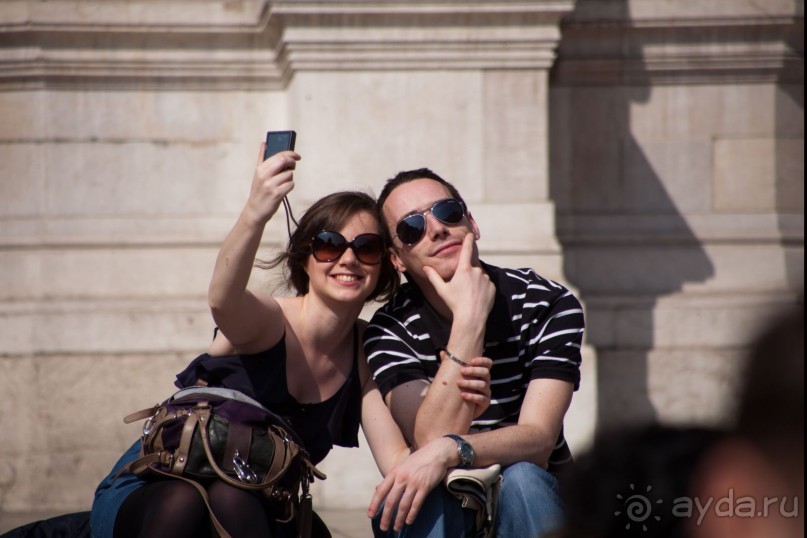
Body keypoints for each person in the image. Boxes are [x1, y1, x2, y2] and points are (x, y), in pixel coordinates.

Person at [90, 148, 493, 538]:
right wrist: (256, 210)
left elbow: (399, 462)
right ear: (304, 258)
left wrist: (461, 431)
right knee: (187, 501)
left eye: (367, 248)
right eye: (329, 245)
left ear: (385, 266)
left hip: (261, 507)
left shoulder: (366, 351)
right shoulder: (270, 320)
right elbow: (222, 300)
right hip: (154, 487)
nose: (348, 259)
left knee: (235, 498)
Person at [363, 168, 585, 536]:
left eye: (448, 212)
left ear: (472, 223)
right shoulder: (390, 328)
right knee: (423, 497)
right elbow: (429, 438)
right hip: (442, 503)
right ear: (397, 260)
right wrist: (468, 322)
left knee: (524, 480)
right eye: (411, 228)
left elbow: (539, 440)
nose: (436, 229)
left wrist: (451, 450)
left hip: (537, 500)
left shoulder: (546, 302)